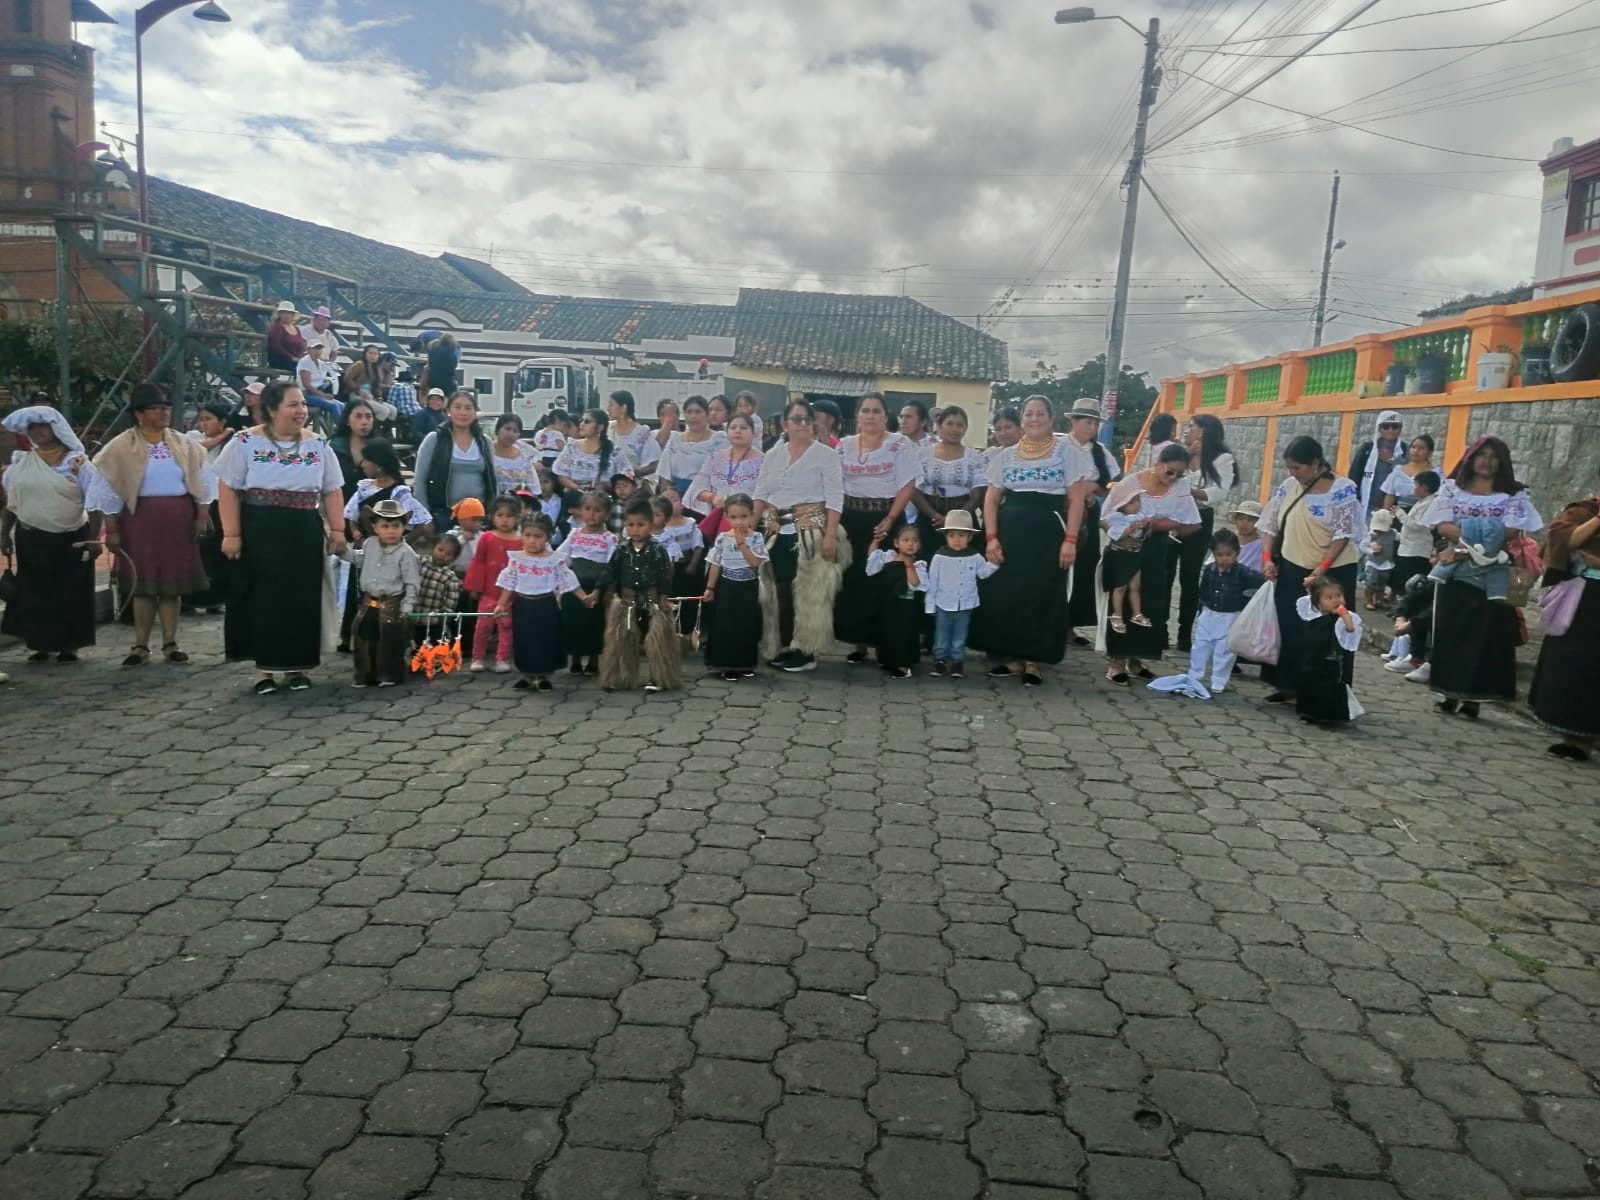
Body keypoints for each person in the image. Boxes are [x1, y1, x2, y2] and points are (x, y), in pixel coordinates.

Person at [214, 382, 347, 694]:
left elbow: (332, 489)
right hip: (260, 528)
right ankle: (264, 671)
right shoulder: (245, 442)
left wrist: (338, 530)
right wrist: (231, 533)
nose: (301, 411)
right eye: (293, 404)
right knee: (263, 597)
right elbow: (228, 488)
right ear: (272, 409)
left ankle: (297, 667)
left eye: (303, 404)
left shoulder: (318, 445)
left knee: (301, 597)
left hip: (303, 529)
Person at [89, 383, 215, 667]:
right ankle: (140, 646)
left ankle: (171, 643)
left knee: (171, 586)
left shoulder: (184, 444)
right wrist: (112, 528)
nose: (164, 413)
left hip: (178, 519)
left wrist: (201, 516)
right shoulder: (120, 446)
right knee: (143, 586)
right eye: (156, 408)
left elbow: (204, 481)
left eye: (166, 407)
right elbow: (108, 489)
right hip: (139, 520)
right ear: (139, 414)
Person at [975, 395, 1096, 686]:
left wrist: (1070, 540)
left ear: (1051, 419)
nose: (1034, 419)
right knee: (1009, 593)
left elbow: (1076, 499)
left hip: (1048, 534)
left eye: (1040, 414)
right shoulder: (1006, 456)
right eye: (1029, 414)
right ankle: (1011, 656)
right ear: (1022, 420)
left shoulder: (1067, 453)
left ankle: (1033, 660)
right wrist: (991, 538)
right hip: (1010, 533)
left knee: (1041, 593)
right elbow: (991, 500)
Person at [1421, 436, 1542, 719]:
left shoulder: (1512, 495)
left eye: (1493, 456)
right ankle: (1450, 693)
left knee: (1486, 637)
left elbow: (1511, 529)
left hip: (1494, 571)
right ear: (1471, 458)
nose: (1486, 461)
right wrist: (1472, 541)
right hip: (1457, 569)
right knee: (1453, 633)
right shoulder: (1452, 489)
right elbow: (1443, 525)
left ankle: (1474, 699)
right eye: (1481, 455)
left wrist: (1477, 541)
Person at [1257, 436, 1361, 705]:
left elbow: (1342, 534)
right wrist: (1267, 559)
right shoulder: (1289, 487)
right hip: (1293, 566)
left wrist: (1321, 569)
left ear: (1315, 463)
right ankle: (1288, 684)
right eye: (1289, 467)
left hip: (1332, 572)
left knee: (1327, 634)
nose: (1293, 473)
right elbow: (1270, 524)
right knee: (1290, 626)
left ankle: (1325, 697)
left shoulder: (1342, 489)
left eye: (1298, 467)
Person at [0, 405, 101, 663]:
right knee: (36, 591)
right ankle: (40, 644)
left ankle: (70, 645)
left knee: (70, 591)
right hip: (30, 537)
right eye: (32, 427)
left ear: (56, 428)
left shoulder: (77, 463)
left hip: (71, 537)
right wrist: (4, 533)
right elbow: (12, 502)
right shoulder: (22, 463)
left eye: (42, 426)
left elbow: (95, 502)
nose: (38, 431)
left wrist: (93, 538)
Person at [752, 398, 845, 673]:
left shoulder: (826, 455)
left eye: (807, 419)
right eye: (796, 419)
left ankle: (806, 651)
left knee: (809, 593)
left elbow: (835, 497)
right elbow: (760, 493)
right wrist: (748, 530)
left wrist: (830, 536)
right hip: (776, 532)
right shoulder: (773, 455)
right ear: (785, 424)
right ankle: (783, 645)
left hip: (810, 533)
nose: (802, 424)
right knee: (778, 591)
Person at [1099, 444, 1202, 685]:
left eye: (1180, 474)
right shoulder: (1131, 484)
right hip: (1127, 549)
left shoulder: (1181, 487)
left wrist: (1158, 525)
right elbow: (1104, 517)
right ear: (1158, 464)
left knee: (1150, 602)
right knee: (1123, 601)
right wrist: (1122, 533)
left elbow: (1191, 523)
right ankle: (1117, 662)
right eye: (1170, 471)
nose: (1173, 478)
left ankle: (1137, 658)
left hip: (1157, 548)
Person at [836, 392, 921, 664]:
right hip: (851, 519)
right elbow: (834, 484)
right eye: (865, 410)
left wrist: (891, 518)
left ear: (886, 416)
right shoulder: (844, 446)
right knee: (855, 581)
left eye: (876, 411)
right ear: (857, 415)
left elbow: (908, 484)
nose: (870, 416)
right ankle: (859, 643)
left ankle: (888, 645)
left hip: (886, 520)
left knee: (886, 582)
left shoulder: (899, 444)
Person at [1529, 493, 1600, 760]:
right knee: (1572, 666)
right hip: (1581, 598)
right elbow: (1565, 541)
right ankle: (1573, 738)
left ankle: (1587, 738)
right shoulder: (1584, 511)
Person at [337, 499, 419, 689]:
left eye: (396, 526)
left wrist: (408, 605)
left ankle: (389, 675)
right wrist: (342, 551)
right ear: (375, 527)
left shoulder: (406, 553)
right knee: (364, 636)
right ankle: (365, 675)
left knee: (390, 640)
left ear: (403, 528)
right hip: (368, 600)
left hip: (392, 603)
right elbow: (359, 560)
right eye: (385, 526)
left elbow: (412, 582)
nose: (391, 531)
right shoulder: (370, 544)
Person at [599, 498, 679, 693]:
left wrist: (664, 597)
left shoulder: (658, 550)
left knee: (658, 643)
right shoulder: (621, 550)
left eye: (640, 525)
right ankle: (620, 678)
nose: (635, 529)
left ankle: (660, 678)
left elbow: (665, 575)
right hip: (627, 602)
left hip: (652, 601)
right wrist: (600, 591)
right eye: (631, 525)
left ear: (650, 525)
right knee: (622, 641)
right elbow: (610, 572)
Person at [494, 513, 581, 693]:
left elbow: (567, 578)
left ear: (548, 537)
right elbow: (510, 582)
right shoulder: (517, 559)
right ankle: (527, 674)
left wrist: (583, 596)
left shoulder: (554, 559)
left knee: (545, 640)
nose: (532, 541)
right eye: (527, 535)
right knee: (524, 639)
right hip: (523, 606)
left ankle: (542, 676)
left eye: (538, 536)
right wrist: (501, 604)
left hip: (545, 605)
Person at [1061, 398, 1120, 642]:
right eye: (1088, 422)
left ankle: (1072, 623)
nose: (1092, 428)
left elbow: (1113, 482)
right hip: (1063, 511)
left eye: (1095, 423)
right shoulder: (1059, 446)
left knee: (1084, 566)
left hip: (1089, 511)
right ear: (1074, 422)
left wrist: (1094, 487)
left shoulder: (1100, 452)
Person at [1177, 414, 1236, 652]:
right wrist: (1187, 455)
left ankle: (1184, 634)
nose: (1186, 430)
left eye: (1191, 426)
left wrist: (1192, 492)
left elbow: (1219, 491)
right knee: (1164, 572)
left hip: (1200, 519)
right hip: (1173, 517)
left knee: (1190, 576)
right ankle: (1158, 631)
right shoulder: (1180, 453)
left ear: (1203, 431)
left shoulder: (1222, 458)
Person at [1189, 528, 1267, 694]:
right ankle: (1194, 675)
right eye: (1220, 555)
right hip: (1209, 613)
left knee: (1224, 650)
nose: (1224, 558)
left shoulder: (1243, 572)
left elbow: (1260, 581)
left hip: (1231, 616)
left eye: (1228, 554)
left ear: (1236, 553)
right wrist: (1201, 608)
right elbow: (1203, 590)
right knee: (1200, 646)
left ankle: (1219, 680)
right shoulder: (1209, 570)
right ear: (1213, 554)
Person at [920, 509, 996, 679]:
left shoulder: (974, 556)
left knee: (960, 635)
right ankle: (940, 660)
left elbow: (983, 573)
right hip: (943, 603)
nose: (956, 540)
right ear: (945, 536)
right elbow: (933, 582)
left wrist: (994, 564)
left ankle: (957, 662)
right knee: (941, 634)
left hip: (965, 605)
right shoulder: (939, 557)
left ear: (970, 537)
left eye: (962, 535)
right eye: (952, 535)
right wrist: (930, 605)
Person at [701, 494, 767, 681]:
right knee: (726, 624)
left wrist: (741, 543)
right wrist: (710, 588)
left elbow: (755, 563)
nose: (739, 522)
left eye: (744, 516)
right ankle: (726, 664)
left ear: (752, 515)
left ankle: (745, 663)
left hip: (748, 587)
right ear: (726, 517)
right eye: (734, 517)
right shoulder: (722, 538)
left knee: (746, 624)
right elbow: (715, 564)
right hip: (727, 586)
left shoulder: (756, 538)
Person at [413, 392, 497, 530]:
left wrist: (494, 512)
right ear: (448, 411)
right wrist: (425, 517)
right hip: (444, 515)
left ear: (475, 412)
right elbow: (419, 481)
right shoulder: (435, 439)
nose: (463, 412)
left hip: (479, 515)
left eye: (468, 408)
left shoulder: (484, 442)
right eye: (457, 407)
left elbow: (493, 480)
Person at [555, 491, 616, 675]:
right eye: (587, 509)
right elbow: (561, 557)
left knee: (594, 623)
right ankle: (575, 659)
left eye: (597, 510)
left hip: (596, 586)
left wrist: (606, 589)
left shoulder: (609, 538)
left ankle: (593, 661)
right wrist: (562, 582)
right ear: (580, 511)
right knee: (573, 622)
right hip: (574, 586)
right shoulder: (574, 534)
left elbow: (612, 565)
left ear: (607, 514)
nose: (592, 514)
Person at [463, 496, 523, 673]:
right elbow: (478, 562)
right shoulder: (487, 538)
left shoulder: (521, 541)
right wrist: (475, 587)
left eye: (510, 516)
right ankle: (478, 657)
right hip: (488, 593)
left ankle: (502, 659)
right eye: (500, 515)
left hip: (510, 595)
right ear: (492, 516)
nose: (504, 520)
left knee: (506, 627)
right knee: (483, 626)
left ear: (518, 517)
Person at [1295, 575, 1365, 726]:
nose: (1335, 600)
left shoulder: (1341, 618)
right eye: (1329, 598)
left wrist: (1344, 614)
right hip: (1313, 656)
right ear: (1318, 602)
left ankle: (1329, 715)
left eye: (1338, 596)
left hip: (1331, 657)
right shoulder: (1314, 614)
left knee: (1329, 685)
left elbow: (1350, 628)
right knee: (1309, 682)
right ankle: (1308, 712)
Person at [864, 524, 927, 679]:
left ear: (919, 545)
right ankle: (888, 660)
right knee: (887, 632)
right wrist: (876, 541)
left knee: (903, 634)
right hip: (888, 605)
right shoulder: (888, 557)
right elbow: (872, 562)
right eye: (906, 540)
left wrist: (909, 565)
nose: (910, 544)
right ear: (896, 543)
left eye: (915, 541)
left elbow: (914, 584)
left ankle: (904, 665)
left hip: (906, 608)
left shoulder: (919, 565)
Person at [687, 413, 763, 534]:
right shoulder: (715, 458)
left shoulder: (763, 461)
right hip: (721, 521)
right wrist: (713, 498)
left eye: (743, 427)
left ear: (753, 433)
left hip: (751, 524)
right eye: (733, 427)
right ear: (727, 432)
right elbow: (696, 489)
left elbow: (767, 496)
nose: (738, 431)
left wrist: (750, 525)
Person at [914, 407, 986, 531]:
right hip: (929, 518)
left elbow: (978, 495)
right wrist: (934, 515)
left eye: (960, 425)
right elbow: (914, 491)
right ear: (940, 426)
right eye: (949, 424)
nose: (955, 429)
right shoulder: (922, 455)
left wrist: (956, 518)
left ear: (965, 428)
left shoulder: (975, 457)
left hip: (963, 519)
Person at [656, 484, 705, 643]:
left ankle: (686, 633)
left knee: (686, 600)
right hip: (665, 570)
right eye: (665, 500)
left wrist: (693, 564)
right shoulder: (659, 528)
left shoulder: (690, 523)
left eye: (674, 499)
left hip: (686, 567)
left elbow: (698, 545)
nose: (670, 503)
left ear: (683, 503)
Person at [553, 409, 634, 504]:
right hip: (574, 500)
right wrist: (577, 488)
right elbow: (561, 474)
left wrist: (605, 486)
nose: (582, 424)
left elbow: (627, 475)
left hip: (602, 502)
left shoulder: (614, 452)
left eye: (587, 421)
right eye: (581, 421)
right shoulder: (571, 447)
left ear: (600, 427)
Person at [1101, 490, 1152, 635]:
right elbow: (1115, 534)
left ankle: (1136, 613)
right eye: (1132, 502)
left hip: (1135, 554)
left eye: (1138, 501)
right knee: (1120, 587)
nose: (1137, 505)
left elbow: (1146, 534)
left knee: (1135, 586)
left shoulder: (1140, 516)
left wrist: (1147, 527)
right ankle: (1117, 614)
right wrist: (1130, 529)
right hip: (1121, 556)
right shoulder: (1115, 518)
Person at [656, 397, 726, 499]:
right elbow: (664, 475)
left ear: (707, 415)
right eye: (689, 412)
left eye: (698, 411)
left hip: (707, 497)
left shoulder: (719, 440)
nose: (693, 416)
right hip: (676, 498)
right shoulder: (674, 439)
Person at [1391, 469, 1441, 599]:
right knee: (1403, 581)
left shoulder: (1430, 503)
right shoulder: (1421, 502)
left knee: (1412, 585)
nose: (1414, 489)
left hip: (1416, 550)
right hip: (1408, 548)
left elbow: (1417, 526)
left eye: (1416, 485)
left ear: (1424, 487)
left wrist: (1400, 514)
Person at [1349, 410, 1404, 516]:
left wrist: (1392, 460)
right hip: (1366, 503)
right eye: (1386, 427)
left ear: (1400, 429)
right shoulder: (1368, 449)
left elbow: (1407, 472)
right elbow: (1355, 474)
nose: (1390, 430)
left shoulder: (1405, 450)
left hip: (1392, 507)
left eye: (1395, 427)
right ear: (1379, 428)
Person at [329, 398, 376, 500]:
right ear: (348, 420)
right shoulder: (336, 447)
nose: (364, 422)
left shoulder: (379, 447)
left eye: (368, 416)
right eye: (358, 416)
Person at [417, 534, 463, 633]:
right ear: (433, 548)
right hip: (410, 620)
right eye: (440, 550)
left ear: (453, 558)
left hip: (432, 625)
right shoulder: (419, 562)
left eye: (448, 554)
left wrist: (443, 624)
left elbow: (449, 607)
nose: (443, 555)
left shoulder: (451, 578)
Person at [607, 391, 660, 478]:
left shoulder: (641, 434)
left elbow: (654, 464)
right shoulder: (607, 428)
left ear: (623, 408)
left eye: (611, 405)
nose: (608, 408)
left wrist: (629, 475)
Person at [1380, 433, 1436, 514]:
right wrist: (1384, 515)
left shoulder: (1435, 474)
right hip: (1398, 513)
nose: (1416, 451)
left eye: (1421, 448)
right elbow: (1390, 495)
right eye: (1413, 447)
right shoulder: (1398, 471)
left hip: (1422, 514)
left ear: (1429, 452)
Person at [489, 414, 539, 497]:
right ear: (498, 429)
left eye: (515, 431)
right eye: (507, 429)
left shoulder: (525, 457)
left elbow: (533, 487)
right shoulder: (487, 453)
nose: (511, 434)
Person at [296, 342, 344, 420]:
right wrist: (323, 395)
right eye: (315, 348)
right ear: (309, 349)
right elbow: (307, 385)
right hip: (306, 395)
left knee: (342, 405)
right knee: (334, 406)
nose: (317, 351)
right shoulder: (305, 362)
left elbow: (330, 376)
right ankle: (341, 427)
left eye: (320, 348)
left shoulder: (321, 363)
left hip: (319, 392)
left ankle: (348, 425)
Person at [1363, 508, 1398, 609]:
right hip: (1373, 563)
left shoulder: (1393, 533)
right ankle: (1368, 600)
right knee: (1371, 582)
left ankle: (1379, 599)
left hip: (1386, 563)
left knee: (1382, 583)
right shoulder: (1370, 535)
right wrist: (1371, 551)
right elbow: (1363, 546)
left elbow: (1402, 538)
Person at [265, 301, 306, 370]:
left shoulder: (296, 328)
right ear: (279, 314)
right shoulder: (277, 327)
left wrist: (300, 358)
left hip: (295, 360)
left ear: (293, 315)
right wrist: (291, 357)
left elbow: (301, 345)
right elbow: (275, 346)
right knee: (302, 368)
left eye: (289, 313)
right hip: (280, 360)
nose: (286, 315)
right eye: (283, 312)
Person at [423, 331, 461, 398]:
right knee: (453, 397)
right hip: (448, 382)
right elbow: (454, 366)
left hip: (433, 381)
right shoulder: (452, 352)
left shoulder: (433, 350)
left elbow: (429, 364)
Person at [1231, 500, 1265, 572]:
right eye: (1240, 519)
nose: (1244, 524)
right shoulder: (1228, 541)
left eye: (1250, 520)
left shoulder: (1262, 545)